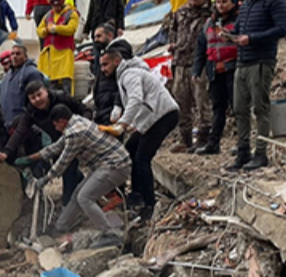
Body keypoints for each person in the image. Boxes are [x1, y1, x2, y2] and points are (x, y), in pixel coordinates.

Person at [26, 104, 131, 248]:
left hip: (116, 166)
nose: (55, 128)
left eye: (55, 124)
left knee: (85, 197)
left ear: (62, 121)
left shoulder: (75, 133)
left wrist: (46, 178)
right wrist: (33, 157)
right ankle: (59, 227)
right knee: (77, 194)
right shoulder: (75, 122)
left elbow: (64, 160)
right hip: (104, 165)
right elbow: (57, 146)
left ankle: (110, 234)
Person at [99, 45, 179, 220]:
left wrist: (123, 123)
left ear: (117, 61)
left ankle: (149, 204)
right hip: (153, 118)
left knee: (142, 158)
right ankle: (136, 194)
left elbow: (136, 99)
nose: (103, 69)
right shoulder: (125, 75)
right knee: (130, 150)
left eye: (105, 64)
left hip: (163, 115)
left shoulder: (129, 74)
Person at [230, 0, 286, 171]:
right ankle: (243, 151)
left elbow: (281, 29)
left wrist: (252, 39)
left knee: (260, 108)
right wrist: (228, 35)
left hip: (261, 61)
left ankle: (261, 152)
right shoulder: (246, 5)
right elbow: (238, 29)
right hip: (242, 62)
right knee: (239, 109)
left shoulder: (275, 1)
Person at [0, 81, 89, 206]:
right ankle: (86, 190)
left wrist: (82, 128)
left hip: (77, 137)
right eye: (33, 98)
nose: (37, 100)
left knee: (68, 170)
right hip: (58, 142)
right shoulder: (31, 112)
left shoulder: (61, 98)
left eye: (39, 95)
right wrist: (7, 152)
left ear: (46, 91)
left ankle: (68, 206)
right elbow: (20, 132)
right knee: (66, 170)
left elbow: (84, 109)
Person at [193, 0, 241, 155]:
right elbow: (201, 48)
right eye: (218, 2)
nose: (220, 5)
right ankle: (213, 144)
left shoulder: (239, 21)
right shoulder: (210, 23)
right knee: (218, 108)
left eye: (224, 2)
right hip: (215, 70)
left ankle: (243, 143)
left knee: (238, 108)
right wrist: (196, 70)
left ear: (233, 3)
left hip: (233, 68)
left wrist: (231, 36)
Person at [167, 0, 214, 152]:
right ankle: (185, 139)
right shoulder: (181, 12)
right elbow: (173, 31)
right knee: (181, 100)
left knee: (202, 101)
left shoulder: (211, 13)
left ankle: (203, 138)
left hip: (201, 62)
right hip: (180, 61)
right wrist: (173, 44)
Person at [36, 0, 79, 94]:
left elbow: (71, 29)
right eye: (53, 6)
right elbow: (39, 31)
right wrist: (46, 30)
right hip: (50, 56)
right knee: (50, 85)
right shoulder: (47, 16)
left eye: (58, 5)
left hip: (64, 54)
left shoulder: (71, 14)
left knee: (65, 84)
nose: (55, 8)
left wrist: (57, 29)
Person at [91, 23, 130, 125]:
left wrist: (117, 105)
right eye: (95, 37)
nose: (96, 40)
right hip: (103, 107)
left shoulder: (120, 53)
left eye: (99, 36)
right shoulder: (104, 54)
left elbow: (123, 82)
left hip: (111, 108)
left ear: (110, 35)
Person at [1, 41, 45, 124]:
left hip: (24, 125)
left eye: (18, 54)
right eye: (12, 54)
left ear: (25, 56)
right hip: (8, 123)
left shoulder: (32, 73)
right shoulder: (8, 76)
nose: (14, 56)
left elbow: (37, 103)